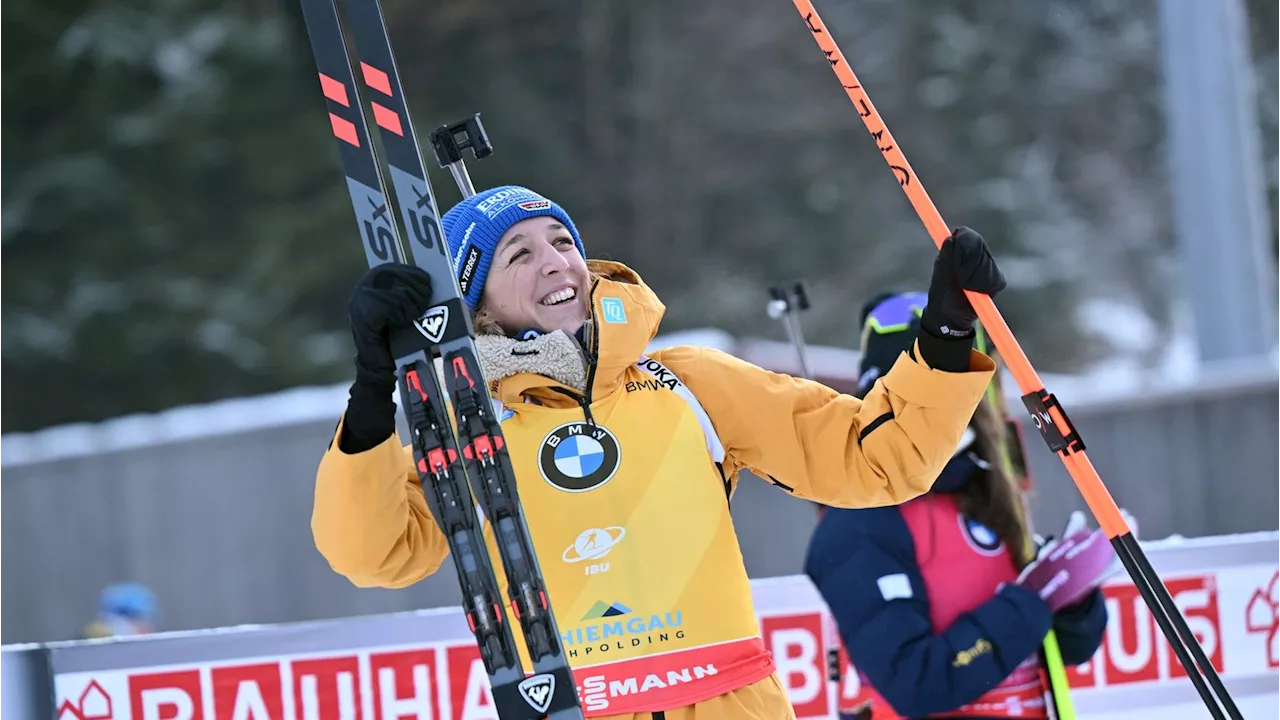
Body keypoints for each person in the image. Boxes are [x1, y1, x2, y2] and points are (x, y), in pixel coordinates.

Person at [312, 184, 1008, 720]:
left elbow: (873, 458)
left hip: (732, 702)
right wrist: (375, 390)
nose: (556, 262)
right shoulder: (466, 429)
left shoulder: (688, 382)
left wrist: (946, 335)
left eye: (561, 240)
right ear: (479, 306)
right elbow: (375, 552)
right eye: (519, 254)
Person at [803, 291, 1113, 720]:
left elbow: (1061, 651)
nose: (949, 417)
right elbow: (914, 681)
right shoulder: (859, 520)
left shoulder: (984, 491)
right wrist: (1030, 602)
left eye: (963, 395)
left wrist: (1071, 599)